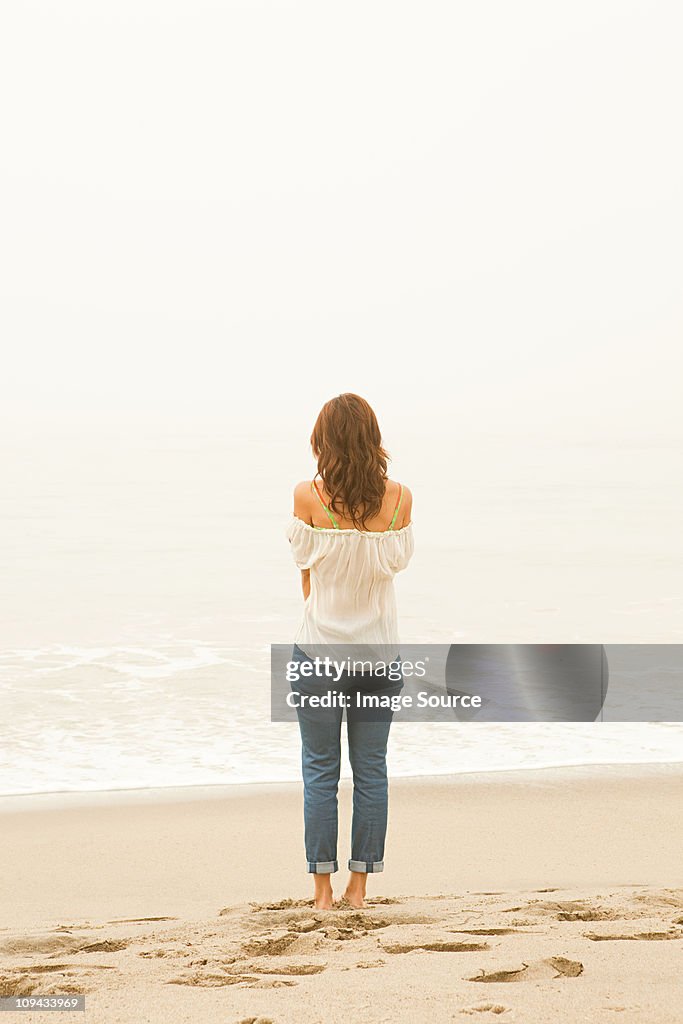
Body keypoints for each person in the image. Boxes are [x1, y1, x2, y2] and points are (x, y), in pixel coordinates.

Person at [286, 393, 414, 909]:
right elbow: (394, 565)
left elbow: (306, 578)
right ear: (372, 438)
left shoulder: (307, 497)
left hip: (319, 655)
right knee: (371, 772)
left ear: (323, 441)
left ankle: (321, 892)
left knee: (319, 772)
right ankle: (358, 889)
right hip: (379, 659)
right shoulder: (401, 497)